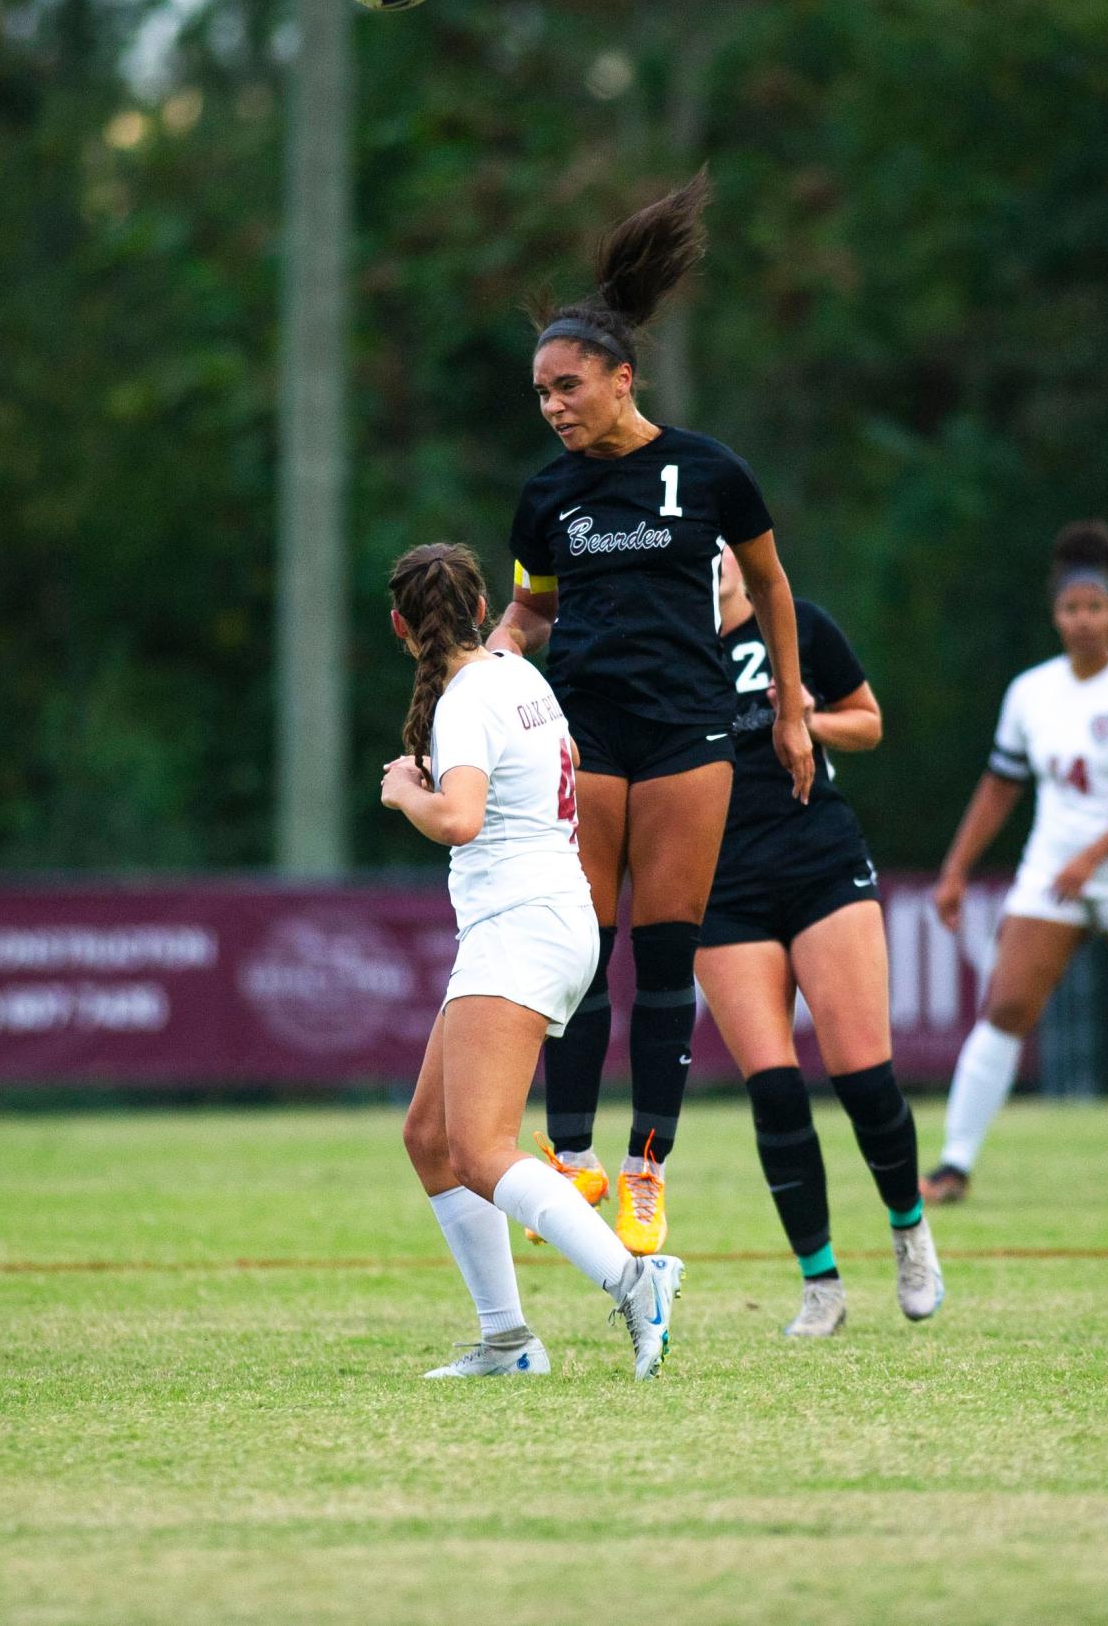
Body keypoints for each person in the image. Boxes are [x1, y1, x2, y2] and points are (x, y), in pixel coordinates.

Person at [486, 169, 814, 1256]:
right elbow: (531, 609)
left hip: (688, 732)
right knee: (581, 950)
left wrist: (795, 709)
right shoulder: (546, 495)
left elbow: (769, 587)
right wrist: (486, 661)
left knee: (669, 959)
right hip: (586, 734)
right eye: (542, 395)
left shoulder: (710, 473)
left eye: (569, 387)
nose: (554, 408)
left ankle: (645, 1169)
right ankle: (571, 1158)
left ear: (623, 379)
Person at [382, 542, 685, 1380]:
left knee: (480, 1148)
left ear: (401, 624)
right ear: (482, 611)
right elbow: (569, 762)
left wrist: (408, 790)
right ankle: (508, 1342)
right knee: (431, 1137)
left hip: (520, 921)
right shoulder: (521, 674)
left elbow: (462, 819)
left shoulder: (466, 699)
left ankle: (634, 1280)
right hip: (550, 914)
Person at [923, 521, 1108, 1209]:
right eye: (1071, 609)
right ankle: (952, 1167)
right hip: (1055, 869)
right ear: (1056, 615)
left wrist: (1091, 858)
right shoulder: (1031, 692)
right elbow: (999, 786)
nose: (1083, 620)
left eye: (1096, 608)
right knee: (1006, 1004)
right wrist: (956, 868)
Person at [693, 549, 943, 1336]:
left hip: (819, 863)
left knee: (863, 1077)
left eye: (721, 543)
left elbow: (868, 721)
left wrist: (804, 717)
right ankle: (820, 1282)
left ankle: (910, 1231)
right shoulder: (664, 655)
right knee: (772, 1086)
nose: (711, 559)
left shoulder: (794, 626)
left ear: (739, 555)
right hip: (721, 886)